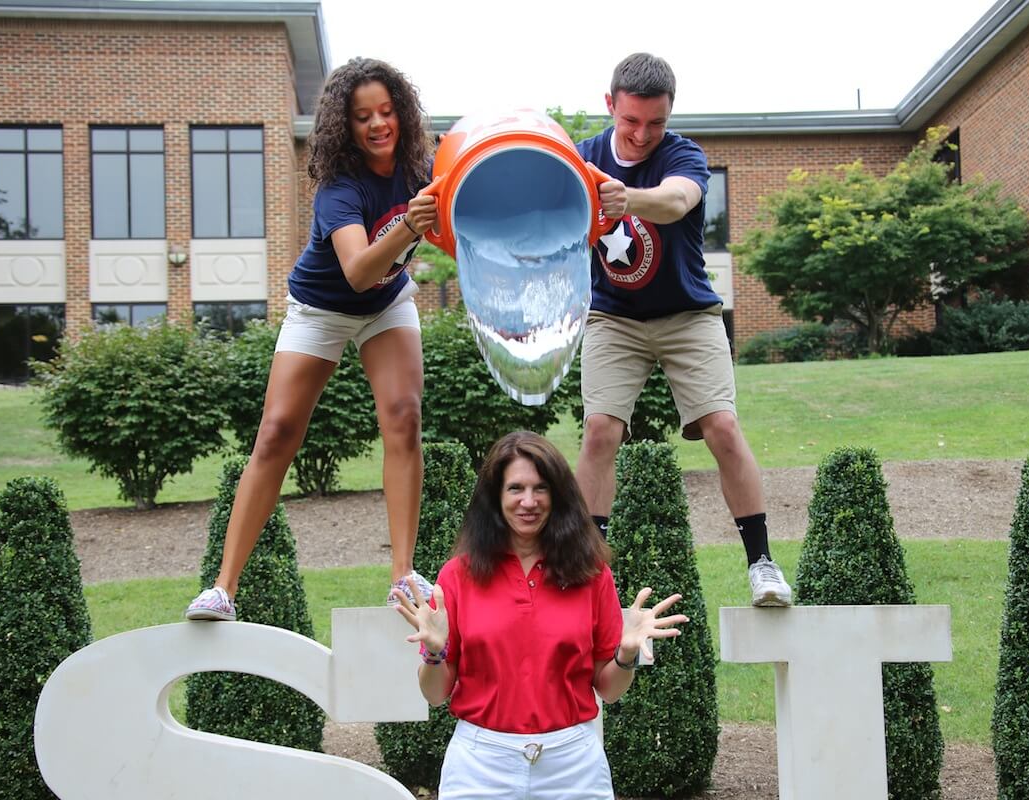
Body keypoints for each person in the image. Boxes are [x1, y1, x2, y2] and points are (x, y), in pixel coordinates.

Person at [185, 57, 438, 621]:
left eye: (387, 111)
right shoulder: (338, 189)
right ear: (343, 125)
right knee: (276, 433)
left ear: (402, 112)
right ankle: (222, 588)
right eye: (362, 116)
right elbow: (357, 271)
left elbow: (462, 210)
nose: (377, 124)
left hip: (386, 306)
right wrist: (411, 225)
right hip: (322, 307)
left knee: (403, 416)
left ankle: (403, 577)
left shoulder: (422, 168)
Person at [575, 52, 792, 607]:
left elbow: (677, 200)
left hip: (688, 315)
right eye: (631, 121)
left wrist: (628, 198)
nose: (643, 134)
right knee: (600, 431)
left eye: (656, 122)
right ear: (610, 106)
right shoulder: (582, 159)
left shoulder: (683, 154)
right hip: (614, 318)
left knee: (721, 425)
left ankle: (762, 564)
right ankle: (584, 575)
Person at [392, 431, 687, 800]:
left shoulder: (592, 573)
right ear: (495, 497)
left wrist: (625, 656)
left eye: (541, 488)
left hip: (574, 765)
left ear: (558, 495)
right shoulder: (458, 575)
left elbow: (609, 690)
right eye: (515, 488)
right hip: (480, 764)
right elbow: (436, 694)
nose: (528, 501)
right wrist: (434, 653)